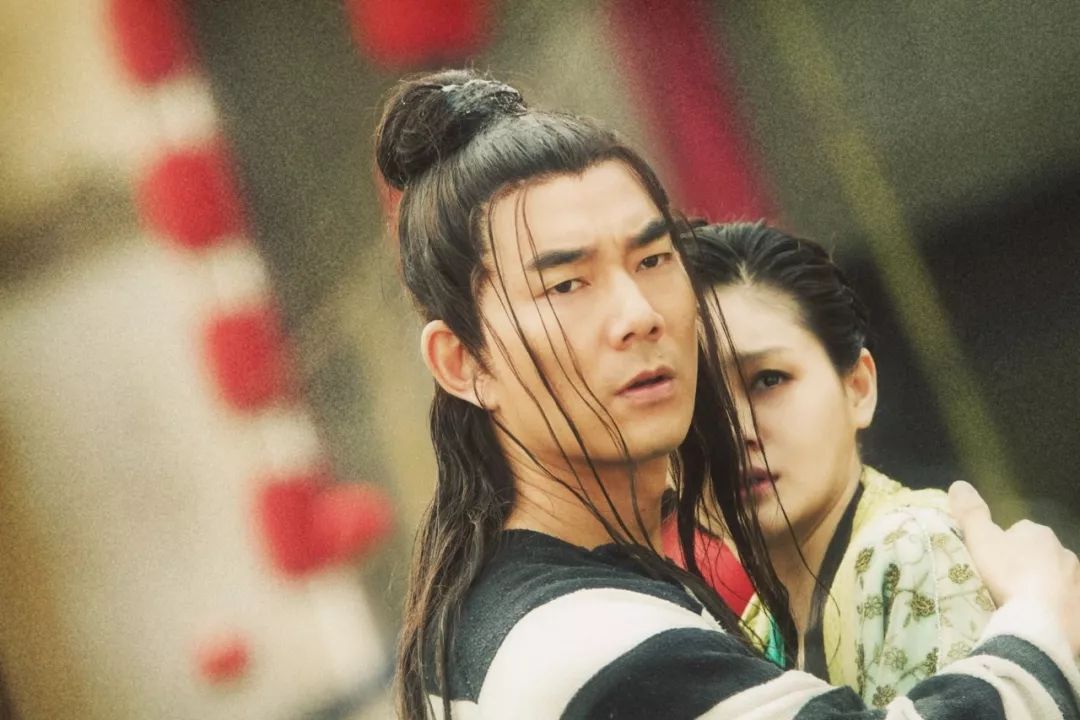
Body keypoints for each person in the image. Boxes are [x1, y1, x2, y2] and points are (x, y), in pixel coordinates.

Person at [376, 68, 1080, 719]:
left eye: (654, 259)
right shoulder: (582, 644)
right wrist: (1042, 622)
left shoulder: (512, 614)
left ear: (859, 385)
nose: (639, 314)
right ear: (463, 362)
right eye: (567, 285)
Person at [686, 221, 996, 705]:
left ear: (858, 388)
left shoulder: (908, 549)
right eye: (699, 404)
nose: (734, 431)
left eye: (768, 380)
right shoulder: (755, 627)